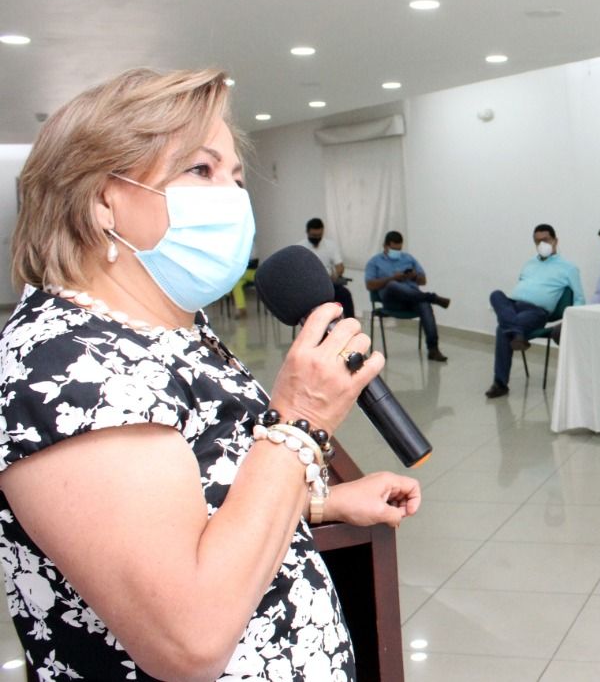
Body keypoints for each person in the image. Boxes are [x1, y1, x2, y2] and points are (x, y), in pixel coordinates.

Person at [0, 68, 420, 680]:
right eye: (201, 169)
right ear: (101, 199)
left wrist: (319, 503)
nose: (231, 197)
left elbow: (191, 504)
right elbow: (189, 637)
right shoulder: (66, 365)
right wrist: (300, 420)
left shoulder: (171, 325)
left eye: (237, 178)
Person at [485, 224, 586, 399]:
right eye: (537, 241)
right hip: (513, 305)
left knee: (502, 329)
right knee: (495, 294)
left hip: (536, 312)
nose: (541, 244)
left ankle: (500, 384)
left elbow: (579, 298)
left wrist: (572, 321)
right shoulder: (529, 264)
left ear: (555, 241)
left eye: (545, 240)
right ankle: (517, 333)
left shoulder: (569, 268)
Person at [365, 231, 451, 362]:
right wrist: (392, 278)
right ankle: (432, 298)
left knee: (424, 304)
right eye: (394, 249)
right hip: (392, 301)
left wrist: (414, 276)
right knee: (392, 284)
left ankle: (433, 349)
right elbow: (370, 285)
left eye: (399, 249)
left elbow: (423, 281)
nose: (397, 252)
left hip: (413, 299)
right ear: (385, 246)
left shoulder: (408, 258)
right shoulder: (374, 262)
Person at [305, 217, 355, 319]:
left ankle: (350, 323)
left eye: (319, 235)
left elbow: (340, 267)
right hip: (310, 287)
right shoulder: (300, 247)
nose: (317, 238)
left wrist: (335, 274)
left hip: (328, 284)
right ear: (307, 232)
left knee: (345, 294)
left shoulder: (330, 245)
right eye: (314, 235)